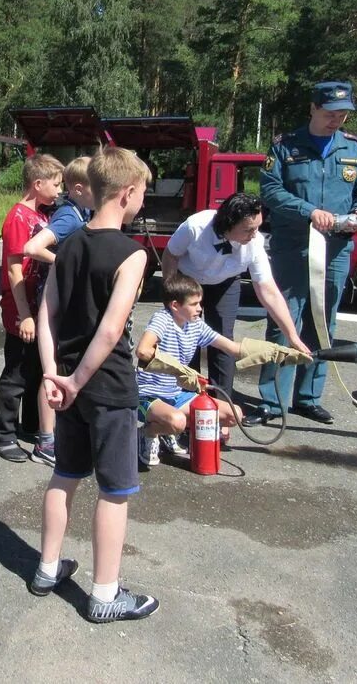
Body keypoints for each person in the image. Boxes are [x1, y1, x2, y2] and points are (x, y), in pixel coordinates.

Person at [32, 146, 160, 623]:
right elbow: (111, 331)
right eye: (143, 193)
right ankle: (104, 595)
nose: (143, 200)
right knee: (115, 490)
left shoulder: (67, 243)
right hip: (104, 386)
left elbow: (48, 313)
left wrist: (54, 375)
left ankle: (48, 568)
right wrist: (78, 381)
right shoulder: (132, 255)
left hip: (65, 382)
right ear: (127, 194)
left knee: (65, 474)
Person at [245, 81, 357, 427]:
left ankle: (308, 398)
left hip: (334, 249)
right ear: (313, 109)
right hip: (294, 248)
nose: (337, 120)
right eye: (331, 113)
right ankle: (273, 402)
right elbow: (270, 192)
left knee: (322, 323)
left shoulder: (354, 149)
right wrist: (308, 210)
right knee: (283, 320)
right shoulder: (285, 147)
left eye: (343, 114)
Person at [161, 192, 310, 400]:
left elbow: (269, 291)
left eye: (258, 227)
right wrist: (171, 294)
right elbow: (171, 255)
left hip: (226, 282)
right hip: (189, 281)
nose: (255, 234)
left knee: (223, 339)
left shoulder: (254, 243)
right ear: (229, 224)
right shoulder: (195, 226)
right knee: (186, 337)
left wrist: (292, 335)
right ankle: (187, 399)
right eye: (249, 229)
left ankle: (221, 404)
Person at [0, 153, 64, 464]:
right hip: (23, 309)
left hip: (37, 308)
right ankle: (3, 434)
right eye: (56, 184)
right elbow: (13, 269)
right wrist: (25, 315)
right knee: (17, 373)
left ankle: (33, 425)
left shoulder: (42, 216)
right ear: (37, 184)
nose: (60, 190)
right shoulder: (18, 218)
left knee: (36, 368)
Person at [134, 274, 244, 467]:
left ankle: (167, 431)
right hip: (148, 395)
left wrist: (278, 352)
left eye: (200, 303)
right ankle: (148, 433)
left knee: (234, 414)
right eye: (194, 304)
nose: (200, 309)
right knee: (177, 421)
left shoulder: (196, 325)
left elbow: (233, 348)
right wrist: (179, 370)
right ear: (175, 306)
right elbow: (143, 350)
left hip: (177, 395)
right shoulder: (163, 319)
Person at [23, 156, 94, 264]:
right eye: (97, 188)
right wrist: (65, 264)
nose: (102, 194)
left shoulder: (84, 210)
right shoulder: (69, 218)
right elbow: (32, 248)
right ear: (78, 190)